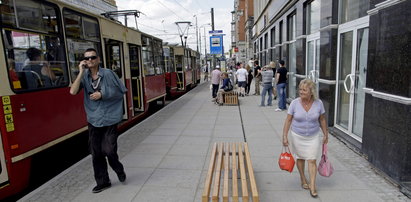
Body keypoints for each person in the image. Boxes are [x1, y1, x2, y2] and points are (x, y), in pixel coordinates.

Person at [69, 48, 127, 193]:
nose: (90, 60)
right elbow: (73, 91)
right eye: (87, 58)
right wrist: (81, 72)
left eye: (93, 57)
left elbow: (121, 91)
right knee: (96, 153)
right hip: (94, 119)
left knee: (109, 150)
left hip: (110, 118)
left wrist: (102, 94)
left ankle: (118, 169)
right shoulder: (84, 76)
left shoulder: (108, 74)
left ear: (98, 59)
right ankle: (103, 181)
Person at [282, 79, 329, 198]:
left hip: (313, 136)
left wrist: (325, 134)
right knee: (301, 158)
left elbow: (322, 119)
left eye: (304, 90)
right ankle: (303, 178)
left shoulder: (319, 103)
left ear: (311, 92)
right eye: (300, 89)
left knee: (312, 159)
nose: (301, 92)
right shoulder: (294, 103)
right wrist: (284, 136)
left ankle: (313, 185)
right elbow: (288, 120)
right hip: (297, 135)